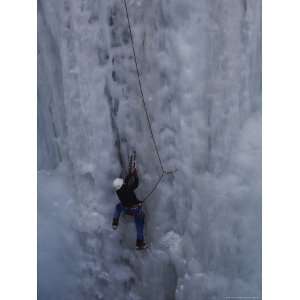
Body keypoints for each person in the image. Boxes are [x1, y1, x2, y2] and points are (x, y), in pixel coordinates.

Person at [112, 167, 147, 250]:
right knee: (139, 222)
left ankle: (115, 222)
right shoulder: (127, 190)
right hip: (133, 209)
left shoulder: (119, 190)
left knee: (118, 207)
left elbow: (126, 183)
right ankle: (140, 242)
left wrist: (130, 174)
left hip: (124, 207)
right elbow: (135, 184)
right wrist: (136, 176)